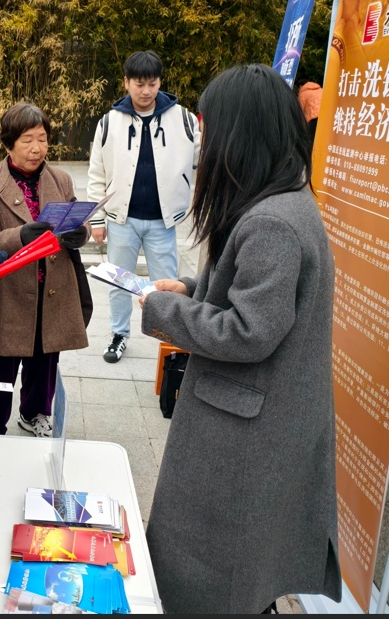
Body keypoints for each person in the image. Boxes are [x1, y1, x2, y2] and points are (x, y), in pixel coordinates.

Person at [138, 64, 341, 614]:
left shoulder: (273, 221)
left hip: (245, 436)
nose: (203, 146)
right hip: (255, 420)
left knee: (212, 574)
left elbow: (249, 331)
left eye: (208, 130)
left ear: (240, 134)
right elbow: (252, 293)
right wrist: (190, 288)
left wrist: (163, 310)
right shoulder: (281, 199)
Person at [0, 102, 89, 437]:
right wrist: (20, 235)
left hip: (51, 290)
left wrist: (79, 234)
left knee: (45, 362)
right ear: (8, 144)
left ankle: (35, 414)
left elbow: (73, 223)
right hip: (9, 293)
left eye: (42, 139)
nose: (37, 148)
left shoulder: (61, 180)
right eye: (27, 140)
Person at [87, 50, 200, 364]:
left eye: (152, 83)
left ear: (160, 82)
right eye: (139, 84)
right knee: (119, 282)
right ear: (126, 83)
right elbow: (97, 173)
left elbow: (202, 159)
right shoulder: (109, 122)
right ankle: (119, 335)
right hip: (121, 219)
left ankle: (171, 343)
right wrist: (97, 220)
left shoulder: (184, 119)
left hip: (163, 220)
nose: (146, 91)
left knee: (168, 286)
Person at [297, 80, 323, 153]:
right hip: (325, 117)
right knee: (321, 140)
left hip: (313, 119)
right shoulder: (321, 90)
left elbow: (300, 112)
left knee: (311, 140)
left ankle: (310, 157)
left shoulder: (303, 93)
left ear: (301, 86)